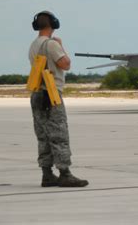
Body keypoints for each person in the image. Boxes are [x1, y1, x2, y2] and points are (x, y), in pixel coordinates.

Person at [29, 11, 88, 187]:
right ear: (54, 24)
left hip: (37, 94)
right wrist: (61, 47)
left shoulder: (33, 44)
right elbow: (66, 64)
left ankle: (46, 174)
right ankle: (65, 173)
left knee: (43, 135)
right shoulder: (51, 45)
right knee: (59, 134)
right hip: (51, 94)